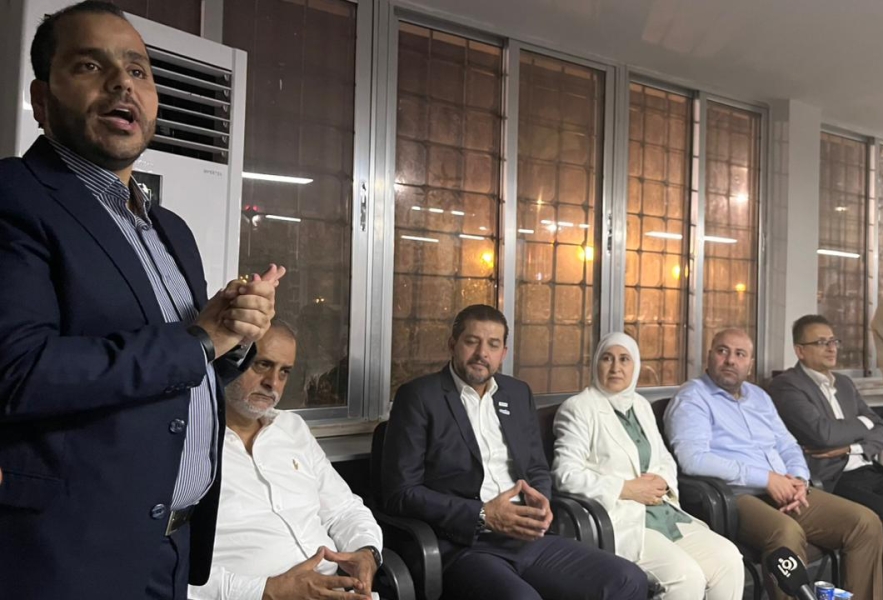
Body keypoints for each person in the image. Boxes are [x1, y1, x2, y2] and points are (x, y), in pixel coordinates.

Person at [0, 3, 283, 599]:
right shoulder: (15, 196)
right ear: (42, 100)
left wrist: (234, 337)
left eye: (138, 71)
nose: (122, 84)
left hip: (171, 548)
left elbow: (181, 370)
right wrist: (201, 338)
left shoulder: (170, 228)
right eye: (89, 65)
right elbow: (18, 371)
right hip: (69, 557)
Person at [382, 304, 648, 600]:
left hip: (525, 537)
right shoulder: (419, 397)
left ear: (503, 353)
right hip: (462, 545)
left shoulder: (517, 394)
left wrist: (541, 500)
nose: (482, 353)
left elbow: (536, 468)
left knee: (628, 580)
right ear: (452, 344)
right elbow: (400, 493)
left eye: (493, 345)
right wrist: (483, 515)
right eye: (472, 341)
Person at [665, 328, 883, 600]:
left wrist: (799, 480)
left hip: (785, 488)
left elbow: (788, 445)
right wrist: (766, 478)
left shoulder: (759, 397)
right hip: (735, 497)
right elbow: (693, 459)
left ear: (750, 364)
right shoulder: (692, 397)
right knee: (786, 532)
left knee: (864, 523)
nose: (730, 360)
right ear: (709, 356)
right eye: (722, 351)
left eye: (740, 354)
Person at [188, 322, 383, 600]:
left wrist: (367, 551)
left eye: (284, 372)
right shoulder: (187, 444)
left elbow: (344, 510)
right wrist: (267, 591)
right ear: (225, 360)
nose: (273, 383)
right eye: (262, 365)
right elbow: (165, 567)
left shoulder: (293, 428)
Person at [553, 332, 743, 599]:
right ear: (596, 363)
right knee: (686, 576)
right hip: (618, 519)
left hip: (662, 514)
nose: (616, 367)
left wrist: (662, 481)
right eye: (607, 358)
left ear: (636, 366)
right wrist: (626, 488)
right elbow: (565, 474)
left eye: (624, 359)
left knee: (729, 559)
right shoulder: (579, 408)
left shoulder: (640, 405)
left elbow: (664, 458)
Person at [769, 314, 883, 520]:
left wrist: (852, 448)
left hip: (868, 468)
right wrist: (864, 423)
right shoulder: (786, 385)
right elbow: (823, 434)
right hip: (834, 478)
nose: (832, 348)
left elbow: (879, 427)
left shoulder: (844, 383)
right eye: (821, 343)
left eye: (833, 341)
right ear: (800, 351)